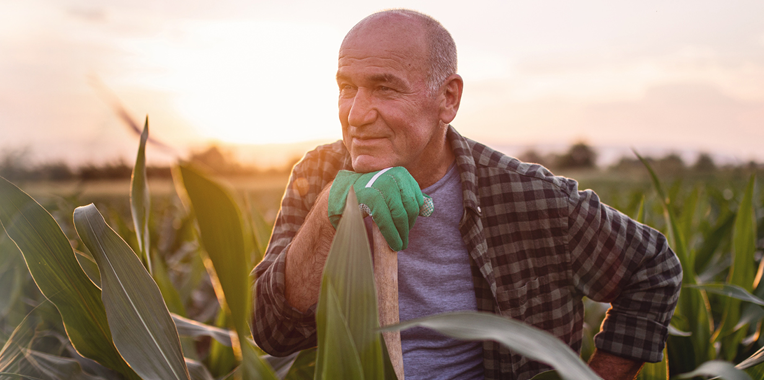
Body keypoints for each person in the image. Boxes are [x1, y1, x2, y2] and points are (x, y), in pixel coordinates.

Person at [249, 9, 681, 380]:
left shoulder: (531, 198)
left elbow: (654, 268)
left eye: (385, 87)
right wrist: (329, 212)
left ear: (448, 99)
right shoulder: (320, 174)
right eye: (347, 87)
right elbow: (272, 333)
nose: (357, 114)